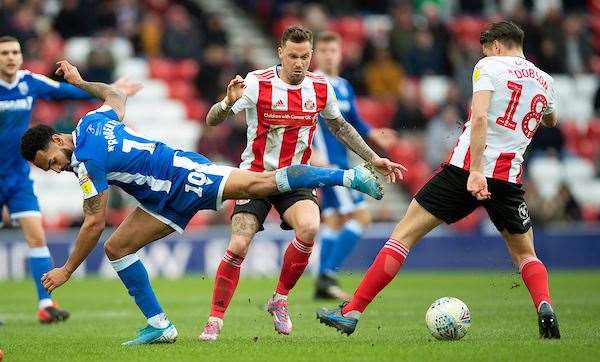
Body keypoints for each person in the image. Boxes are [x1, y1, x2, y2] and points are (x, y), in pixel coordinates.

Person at [20, 60, 388, 346]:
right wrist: (80, 83)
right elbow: (115, 95)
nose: (56, 169)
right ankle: (159, 325)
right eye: (49, 169)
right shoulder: (89, 123)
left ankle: (348, 177)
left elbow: (93, 222)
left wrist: (66, 270)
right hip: (160, 197)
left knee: (262, 182)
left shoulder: (86, 164)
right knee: (118, 248)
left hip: (183, 175)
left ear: (56, 139)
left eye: (50, 161)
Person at [317, 21, 561, 339]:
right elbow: (551, 119)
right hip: (508, 180)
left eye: (487, 48)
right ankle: (544, 306)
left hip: (463, 172)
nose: (485, 53)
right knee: (526, 255)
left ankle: (352, 312)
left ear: (498, 45)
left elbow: (481, 117)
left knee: (402, 236)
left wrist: (475, 169)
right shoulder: (545, 81)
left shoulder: (489, 65)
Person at [199, 26, 404, 341]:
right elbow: (211, 120)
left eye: (305, 56)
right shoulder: (256, 83)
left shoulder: (321, 88)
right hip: (255, 176)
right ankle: (214, 321)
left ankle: (279, 299)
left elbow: (342, 127)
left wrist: (373, 158)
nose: (299, 63)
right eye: (293, 56)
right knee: (239, 244)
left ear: (311, 55)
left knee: (309, 228)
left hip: (296, 180)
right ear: (280, 52)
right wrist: (227, 103)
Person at [0, 35, 140, 324]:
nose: (11, 57)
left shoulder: (29, 82)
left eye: (15, 51)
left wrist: (112, 91)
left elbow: (64, 91)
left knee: (36, 237)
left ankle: (45, 303)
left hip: (17, 177)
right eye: (4, 54)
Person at [311, 31, 398, 300]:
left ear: (340, 53)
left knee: (334, 220)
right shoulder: (313, 83)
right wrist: (311, 152)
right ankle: (327, 275)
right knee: (361, 217)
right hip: (330, 164)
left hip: (340, 162)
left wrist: (376, 133)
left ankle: (322, 282)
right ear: (316, 55)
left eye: (333, 50)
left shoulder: (344, 86)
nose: (329, 55)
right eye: (324, 51)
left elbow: (355, 123)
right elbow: (305, 122)